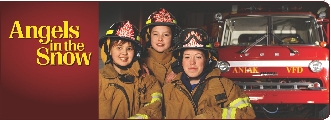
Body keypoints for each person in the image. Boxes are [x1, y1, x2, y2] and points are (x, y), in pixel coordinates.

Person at [162, 28, 256, 119]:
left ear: (207, 60)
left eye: (198, 57)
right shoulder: (168, 90)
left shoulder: (226, 86)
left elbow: (247, 115)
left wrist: (211, 116)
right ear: (180, 61)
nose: (192, 62)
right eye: (187, 57)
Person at [98, 20, 162, 119]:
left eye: (129, 48)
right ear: (108, 50)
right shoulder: (98, 80)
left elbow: (154, 109)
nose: (124, 53)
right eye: (119, 47)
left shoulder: (148, 81)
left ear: (136, 53)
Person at [140, 8, 181, 86]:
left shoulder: (181, 61)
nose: (160, 39)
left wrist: (179, 69)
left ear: (173, 38)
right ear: (149, 36)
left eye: (166, 35)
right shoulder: (140, 60)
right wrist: (137, 66)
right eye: (155, 34)